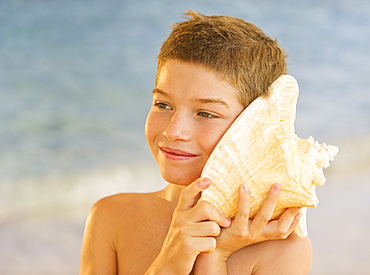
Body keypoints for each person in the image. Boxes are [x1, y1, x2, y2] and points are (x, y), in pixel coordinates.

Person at [80, 10, 312, 274]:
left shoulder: (282, 248)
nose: (174, 131)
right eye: (163, 104)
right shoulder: (112, 217)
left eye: (206, 113)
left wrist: (215, 255)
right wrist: (170, 258)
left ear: (254, 127)